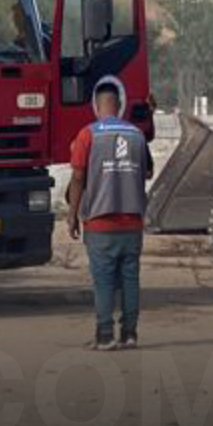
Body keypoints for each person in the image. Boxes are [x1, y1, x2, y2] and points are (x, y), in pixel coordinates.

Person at [66, 82, 152, 350]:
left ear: (96, 106)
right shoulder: (137, 135)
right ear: (120, 105)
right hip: (132, 222)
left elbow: (78, 177)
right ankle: (129, 334)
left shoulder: (87, 135)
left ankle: (105, 336)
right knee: (130, 279)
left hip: (100, 223)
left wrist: (72, 215)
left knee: (103, 281)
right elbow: (148, 172)